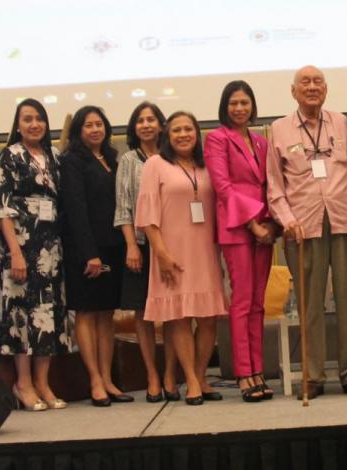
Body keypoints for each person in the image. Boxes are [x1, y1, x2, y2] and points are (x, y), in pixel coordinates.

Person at [267, 65, 347, 399]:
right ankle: (313, 376)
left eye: (318, 82)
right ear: (293, 91)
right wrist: (287, 219)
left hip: (344, 218)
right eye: (305, 82)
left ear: (326, 89)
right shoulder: (278, 128)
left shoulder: (340, 121)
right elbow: (274, 184)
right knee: (309, 304)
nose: (312, 87)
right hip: (303, 226)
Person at [135, 111, 229, 406]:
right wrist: (161, 253)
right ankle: (190, 380)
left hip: (204, 251)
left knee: (208, 319)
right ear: (167, 134)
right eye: (177, 130)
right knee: (179, 319)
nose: (183, 134)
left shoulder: (206, 166)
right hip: (171, 252)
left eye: (189, 129)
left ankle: (201, 375)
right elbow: (147, 216)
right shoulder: (155, 164)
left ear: (197, 133)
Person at [0, 99, 70, 411]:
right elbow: (3, 209)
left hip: (49, 247)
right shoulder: (9, 155)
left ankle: (43, 384)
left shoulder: (54, 156)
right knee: (21, 314)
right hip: (19, 245)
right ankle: (22, 383)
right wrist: (16, 253)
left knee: (46, 314)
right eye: (27, 119)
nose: (34, 124)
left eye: (39, 119)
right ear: (18, 124)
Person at [205, 81, 279, 402]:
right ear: (225, 106)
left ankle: (259, 369)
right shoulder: (217, 138)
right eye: (233, 103)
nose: (239, 108)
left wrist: (273, 223)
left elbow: (271, 183)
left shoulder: (262, 141)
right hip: (238, 226)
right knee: (243, 300)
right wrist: (252, 224)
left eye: (244, 102)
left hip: (265, 226)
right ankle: (244, 373)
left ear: (252, 106)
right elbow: (222, 186)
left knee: (259, 303)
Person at [60, 106, 132, 406]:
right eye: (88, 125)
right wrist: (88, 253)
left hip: (112, 247)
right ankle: (94, 381)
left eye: (99, 124)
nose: (94, 129)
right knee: (87, 312)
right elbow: (75, 209)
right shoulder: (72, 161)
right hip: (85, 249)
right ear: (78, 130)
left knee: (106, 314)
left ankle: (108, 378)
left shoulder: (113, 159)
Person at [115, 101, 179, 402]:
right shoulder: (129, 160)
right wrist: (131, 245)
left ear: (161, 124)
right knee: (142, 312)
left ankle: (170, 375)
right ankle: (152, 374)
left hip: (171, 246)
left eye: (152, 119)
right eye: (140, 120)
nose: (146, 125)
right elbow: (123, 206)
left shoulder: (173, 157)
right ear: (134, 127)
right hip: (140, 246)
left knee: (173, 314)